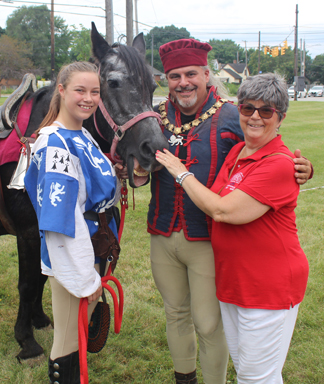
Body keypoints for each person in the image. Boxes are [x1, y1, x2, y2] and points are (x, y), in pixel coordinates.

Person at [118, 39, 312, 384]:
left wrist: (301, 167)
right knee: (175, 312)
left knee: (208, 322)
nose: (183, 82)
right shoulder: (155, 117)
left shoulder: (232, 115)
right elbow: (136, 165)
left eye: (191, 73)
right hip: (162, 230)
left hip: (208, 237)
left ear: (207, 74)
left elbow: (265, 146)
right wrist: (135, 170)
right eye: (174, 76)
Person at [24, 62, 119, 384]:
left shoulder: (81, 134)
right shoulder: (56, 144)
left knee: (77, 335)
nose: (88, 98)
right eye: (80, 90)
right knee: (68, 338)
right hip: (75, 254)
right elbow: (60, 221)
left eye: (95, 92)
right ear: (61, 91)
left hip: (94, 248)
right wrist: (82, 276)